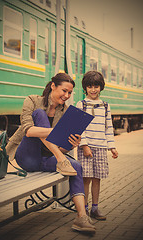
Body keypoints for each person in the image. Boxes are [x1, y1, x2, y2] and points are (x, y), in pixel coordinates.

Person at [6, 73, 96, 233]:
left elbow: (59, 147)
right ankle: (62, 160)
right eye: (64, 91)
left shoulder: (66, 112)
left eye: (70, 93)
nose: (67, 96)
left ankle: (81, 217)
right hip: (27, 157)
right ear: (53, 86)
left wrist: (71, 145)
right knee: (39, 114)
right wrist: (55, 132)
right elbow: (28, 131)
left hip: (47, 158)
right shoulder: (33, 100)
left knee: (75, 166)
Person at [76, 71, 118, 220]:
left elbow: (109, 127)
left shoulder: (106, 106)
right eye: (89, 86)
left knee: (97, 178)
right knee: (86, 178)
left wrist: (111, 146)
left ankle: (95, 208)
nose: (93, 90)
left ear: (101, 87)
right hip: (86, 148)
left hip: (100, 147)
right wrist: (85, 145)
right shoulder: (81, 104)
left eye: (96, 86)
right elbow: (79, 128)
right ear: (85, 88)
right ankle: (84, 209)